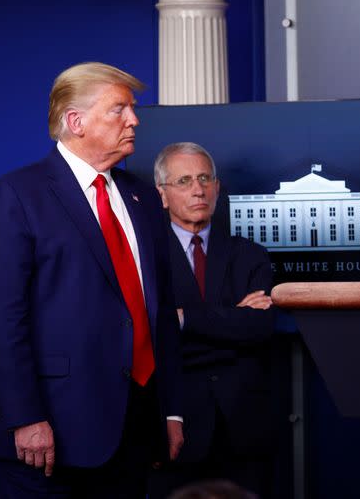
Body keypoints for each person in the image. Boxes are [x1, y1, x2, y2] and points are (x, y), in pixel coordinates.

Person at [0, 62, 183, 498]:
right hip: (50, 432)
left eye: (132, 109)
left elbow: (156, 311)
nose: (134, 120)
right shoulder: (17, 194)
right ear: (75, 121)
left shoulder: (142, 197)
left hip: (135, 428)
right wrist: (24, 417)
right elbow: (2, 318)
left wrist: (171, 411)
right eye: (119, 109)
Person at [147, 142, 275, 499]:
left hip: (244, 427)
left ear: (217, 187)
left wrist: (184, 319)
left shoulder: (249, 255)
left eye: (205, 178)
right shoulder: (146, 259)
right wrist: (231, 321)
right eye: (184, 180)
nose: (198, 189)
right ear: (162, 194)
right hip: (177, 424)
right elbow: (152, 333)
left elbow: (259, 328)